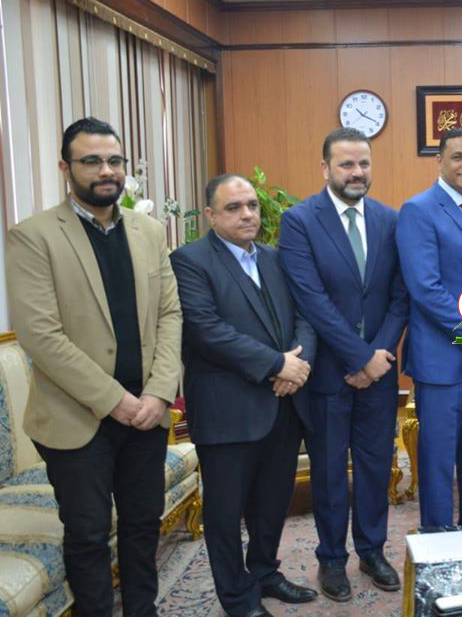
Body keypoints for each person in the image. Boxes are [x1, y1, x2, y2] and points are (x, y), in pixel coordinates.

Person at [6, 116, 182, 617]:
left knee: (143, 524)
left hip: (146, 411)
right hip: (75, 418)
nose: (106, 171)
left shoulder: (149, 231)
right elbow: (41, 336)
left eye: (114, 160)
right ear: (65, 168)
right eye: (91, 161)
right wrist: (115, 401)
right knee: (87, 533)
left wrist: (159, 392)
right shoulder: (33, 236)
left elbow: (170, 314)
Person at [171, 175, 319, 617]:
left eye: (252, 205)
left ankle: (265, 573)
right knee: (225, 511)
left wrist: (298, 366)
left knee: (272, 503)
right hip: (227, 410)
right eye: (233, 207)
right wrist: (277, 365)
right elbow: (206, 330)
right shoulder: (189, 261)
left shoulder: (275, 258)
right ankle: (237, 598)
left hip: (282, 405)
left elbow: (305, 318)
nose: (248, 214)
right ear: (211, 215)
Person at [278, 128, 408, 602]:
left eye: (364, 163)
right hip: (330, 374)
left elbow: (400, 296)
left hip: (380, 371)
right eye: (346, 164)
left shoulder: (390, 220)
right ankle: (331, 559)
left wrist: (378, 356)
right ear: (325, 168)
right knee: (330, 471)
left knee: (375, 466)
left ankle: (372, 551)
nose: (357, 172)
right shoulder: (299, 221)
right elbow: (311, 299)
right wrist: (359, 358)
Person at [396, 128, 462, 527]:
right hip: (443, 362)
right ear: (439, 161)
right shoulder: (418, 210)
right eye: (458, 157)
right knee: (439, 463)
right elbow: (426, 289)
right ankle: (439, 539)